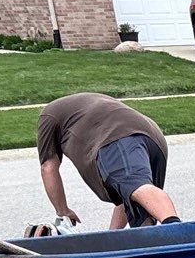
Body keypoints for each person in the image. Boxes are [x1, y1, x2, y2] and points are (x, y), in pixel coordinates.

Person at [36, 92, 181, 230]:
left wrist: (63, 211)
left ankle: (177, 229)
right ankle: (156, 249)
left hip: (117, 135)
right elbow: (124, 197)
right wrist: (111, 237)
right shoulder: (83, 105)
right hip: (153, 137)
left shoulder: (48, 115)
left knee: (137, 186)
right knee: (137, 203)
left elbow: (48, 168)